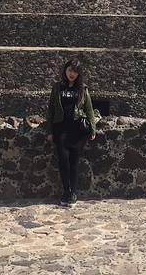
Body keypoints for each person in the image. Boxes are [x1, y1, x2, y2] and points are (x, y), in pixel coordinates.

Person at [46, 59, 96, 206]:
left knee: (74, 162)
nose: (72, 74)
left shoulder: (83, 89)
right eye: (70, 70)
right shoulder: (57, 87)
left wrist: (92, 129)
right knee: (63, 161)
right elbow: (51, 109)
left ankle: (73, 192)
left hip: (77, 130)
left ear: (79, 73)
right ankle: (66, 191)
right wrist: (49, 130)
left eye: (75, 71)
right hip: (60, 129)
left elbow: (89, 109)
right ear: (65, 70)